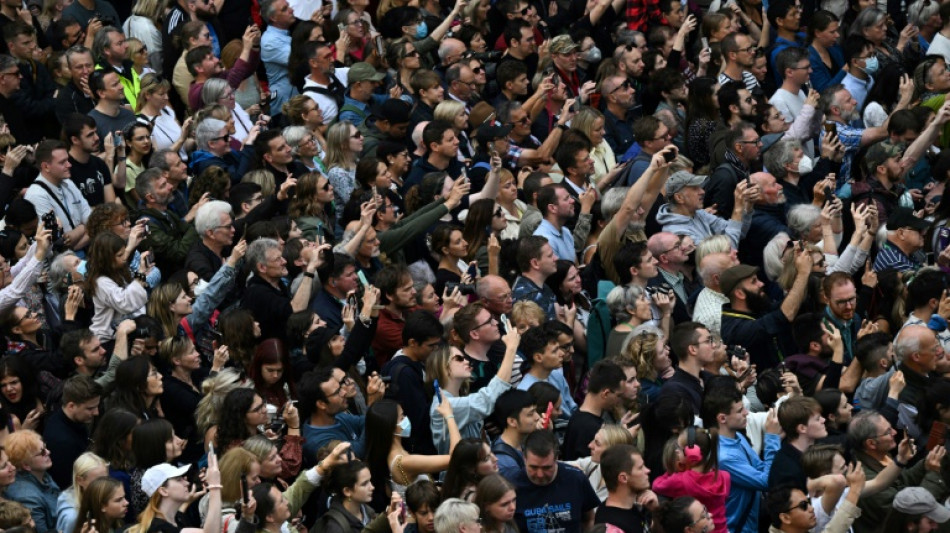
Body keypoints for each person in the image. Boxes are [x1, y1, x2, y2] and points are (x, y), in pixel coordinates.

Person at [428, 327, 519, 454]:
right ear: (443, 366)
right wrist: (511, 349)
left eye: (464, 358)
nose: (466, 361)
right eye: (459, 359)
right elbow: (486, 400)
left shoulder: (459, 399)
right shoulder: (442, 405)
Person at [704, 383, 781, 533]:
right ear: (722, 418)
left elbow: (759, 467)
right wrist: (772, 437)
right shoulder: (724, 458)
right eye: (740, 410)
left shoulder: (737, 436)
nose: (746, 413)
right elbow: (766, 481)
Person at [512, 430, 599, 533]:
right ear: (524, 458)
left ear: (557, 458)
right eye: (533, 467)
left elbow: (589, 519)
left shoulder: (576, 480)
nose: (540, 474)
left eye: (547, 468)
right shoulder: (512, 485)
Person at [42, 375, 101, 489]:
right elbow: (69, 484)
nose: (96, 412)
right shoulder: (62, 442)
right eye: (90, 408)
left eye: (97, 406)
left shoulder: (71, 420)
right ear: (71, 406)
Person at [562, 361, 626, 461]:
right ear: (606, 393)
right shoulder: (592, 429)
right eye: (619, 396)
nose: (619, 401)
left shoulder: (577, 417)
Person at [4, 430, 59, 533]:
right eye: (42, 452)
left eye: (45, 447)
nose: (48, 452)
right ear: (26, 465)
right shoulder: (28, 498)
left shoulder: (40, 473)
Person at [594, 444, 655, 533]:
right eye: (640, 468)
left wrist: (655, 511)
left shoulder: (636, 507)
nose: (647, 470)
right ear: (623, 478)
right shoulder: (611, 526)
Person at [490, 389, 538, 480]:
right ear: (512, 421)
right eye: (530, 414)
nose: (537, 417)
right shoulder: (505, 463)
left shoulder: (522, 442)